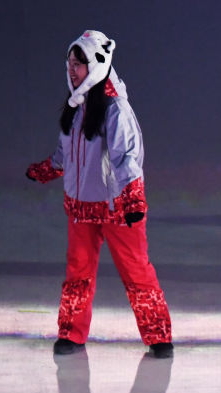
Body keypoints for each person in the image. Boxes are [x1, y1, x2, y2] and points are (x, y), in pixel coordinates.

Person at [27, 30, 173, 359]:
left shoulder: (115, 110)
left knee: (136, 272)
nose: (72, 70)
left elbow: (127, 159)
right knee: (77, 273)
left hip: (119, 208)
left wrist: (134, 199)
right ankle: (71, 334)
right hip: (81, 209)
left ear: (96, 64)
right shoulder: (76, 109)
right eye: (69, 63)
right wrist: (46, 170)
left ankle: (159, 336)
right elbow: (65, 156)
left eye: (79, 63)